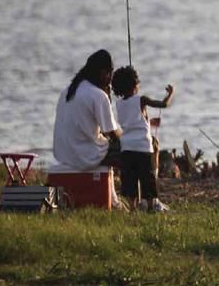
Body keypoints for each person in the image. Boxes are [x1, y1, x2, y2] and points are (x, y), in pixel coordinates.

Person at [111, 65, 175, 212]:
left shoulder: (119, 104)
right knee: (147, 181)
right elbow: (163, 104)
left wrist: (147, 120)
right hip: (143, 148)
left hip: (126, 148)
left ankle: (133, 210)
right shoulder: (141, 100)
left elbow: (132, 122)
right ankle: (151, 207)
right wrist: (171, 94)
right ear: (135, 85)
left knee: (130, 181)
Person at [53, 49, 122, 170]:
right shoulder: (98, 95)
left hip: (63, 156)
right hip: (86, 158)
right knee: (136, 148)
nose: (110, 79)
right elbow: (114, 135)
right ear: (102, 73)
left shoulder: (67, 91)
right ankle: (139, 186)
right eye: (109, 73)